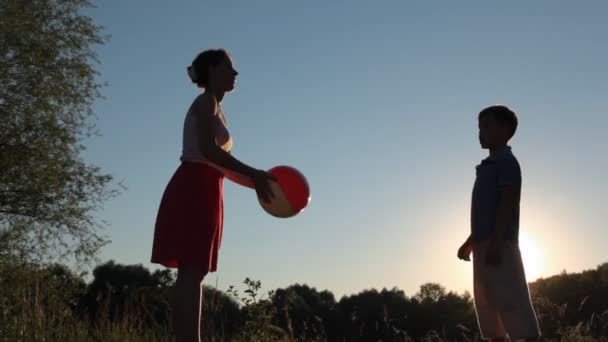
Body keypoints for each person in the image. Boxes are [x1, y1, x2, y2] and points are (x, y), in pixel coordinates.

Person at [151, 49, 275, 342]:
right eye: (229, 67)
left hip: (208, 187)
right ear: (212, 71)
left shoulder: (217, 109)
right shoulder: (205, 102)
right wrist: (254, 173)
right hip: (194, 187)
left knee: (194, 272)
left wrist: (256, 183)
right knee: (191, 273)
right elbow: (208, 151)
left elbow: (218, 163)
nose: (235, 73)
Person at [457, 105, 540, 341]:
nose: (480, 132)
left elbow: (507, 203)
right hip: (484, 245)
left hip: (500, 244)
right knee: (487, 303)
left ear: (505, 130)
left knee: (511, 300)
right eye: (479, 127)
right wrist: (471, 241)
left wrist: (496, 242)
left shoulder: (507, 162)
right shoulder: (487, 166)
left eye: (486, 126)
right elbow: (484, 212)